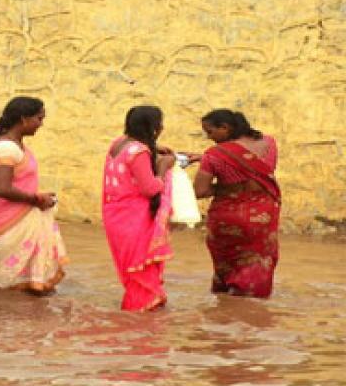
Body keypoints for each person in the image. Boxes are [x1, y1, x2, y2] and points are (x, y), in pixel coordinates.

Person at [0, 97, 68, 295]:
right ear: (24, 120)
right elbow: (2, 188)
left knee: (11, 288)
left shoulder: (13, 145)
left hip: (15, 217)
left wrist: (38, 197)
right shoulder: (7, 149)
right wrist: (36, 199)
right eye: (39, 118)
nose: (41, 124)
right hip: (4, 222)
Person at [192, 109, 281, 298]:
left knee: (228, 265)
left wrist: (223, 185)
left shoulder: (214, 155)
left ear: (225, 128)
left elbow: (200, 191)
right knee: (259, 258)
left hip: (228, 219)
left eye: (210, 132)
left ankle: (228, 306)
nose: (209, 137)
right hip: (263, 217)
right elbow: (255, 169)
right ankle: (252, 304)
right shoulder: (269, 143)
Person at [101, 106, 177, 311]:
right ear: (153, 127)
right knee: (142, 270)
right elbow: (151, 188)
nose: (162, 127)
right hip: (134, 218)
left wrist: (155, 148)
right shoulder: (138, 152)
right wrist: (164, 166)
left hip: (116, 216)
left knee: (133, 272)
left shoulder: (118, 144)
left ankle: (138, 316)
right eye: (159, 123)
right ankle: (142, 318)